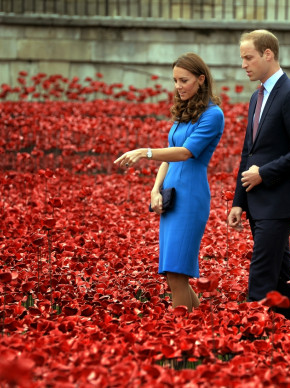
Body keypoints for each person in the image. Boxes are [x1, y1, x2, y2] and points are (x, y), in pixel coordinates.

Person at [115, 52, 224, 311]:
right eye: (175, 80)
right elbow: (169, 154)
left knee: (177, 272)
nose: (178, 86)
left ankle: (182, 335)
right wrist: (155, 190)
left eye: (183, 80)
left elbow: (185, 152)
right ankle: (200, 329)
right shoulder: (185, 112)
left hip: (191, 197)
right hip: (172, 195)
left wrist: (144, 152)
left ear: (201, 79)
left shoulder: (213, 114)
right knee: (172, 273)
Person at [226, 30, 290, 323]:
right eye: (242, 58)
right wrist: (238, 202)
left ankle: (249, 337)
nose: (243, 64)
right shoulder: (257, 96)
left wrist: (264, 174)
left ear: (268, 54)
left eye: (248, 57)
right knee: (280, 274)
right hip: (257, 201)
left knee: (262, 273)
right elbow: (248, 153)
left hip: (280, 201)